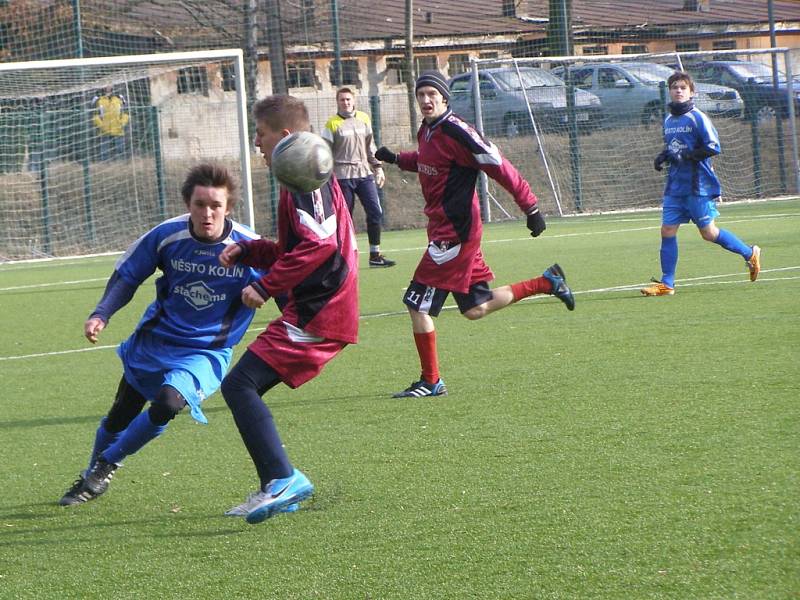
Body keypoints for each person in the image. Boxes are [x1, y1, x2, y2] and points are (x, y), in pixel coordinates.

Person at [59, 163, 262, 506]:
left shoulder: (251, 247)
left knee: (168, 402)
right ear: (188, 204)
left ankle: (108, 464)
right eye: (200, 205)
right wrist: (102, 313)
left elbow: (287, 285)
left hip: (206, 351)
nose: (208, 213)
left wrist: (269, 291)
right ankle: (91, 474)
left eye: (216, 206)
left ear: (229, 207)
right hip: (155, 342)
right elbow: (128, 275)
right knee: (121, 414)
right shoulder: (167, 235)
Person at [375, 70, 575, 399]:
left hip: (455, 234)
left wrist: (531, 207)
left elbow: (498, 164)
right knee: (475, 308)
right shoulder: (427, 130)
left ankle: (431, 380)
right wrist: (398, 159)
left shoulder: (458, 132)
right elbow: (430, 163)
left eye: (431, 94)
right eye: (421, 95)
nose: (426, 100)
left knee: (416, 304)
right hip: (445, 230)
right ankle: (547, 281)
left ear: (444, 98)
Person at [219, 95, 359, 524]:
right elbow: (294, 248)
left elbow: (318, 247)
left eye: (259, 134)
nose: (255, 142)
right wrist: (250, 251)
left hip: (320, 311)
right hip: (320, 308)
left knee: (239, 385)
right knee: (244, 387)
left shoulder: (307, 181)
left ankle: (281, 479)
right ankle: (277, 485)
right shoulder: (305, 178)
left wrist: (266, 287)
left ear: (285, 138)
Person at [644, 71, 761, 296]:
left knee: (708, 233)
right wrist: (663, 155)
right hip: (675, 186)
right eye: (674, 87)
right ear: (669, 91)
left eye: (683, 87)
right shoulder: (668, 120)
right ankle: (667, 284)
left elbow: (713, 147)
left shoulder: (698, 117)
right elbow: (674, 147)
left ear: (691, 92)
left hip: (698, 185)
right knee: (667, 230)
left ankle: (749, 253)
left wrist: (686, 156)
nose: (678, 90)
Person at [322, 87, 395, 268]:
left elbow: (370, 147)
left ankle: (375, 256)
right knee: (345, 218)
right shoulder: (331, 124)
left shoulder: (363, 118)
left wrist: (378, 167)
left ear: (353, 101)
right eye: (342, 100)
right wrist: (326, 176)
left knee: (375, 212)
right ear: (337, 102)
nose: (345, 103)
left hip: (364, 174)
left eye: (348, 99)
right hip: (342, 177)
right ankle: (343, 258)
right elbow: (324, 153)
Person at [92, 85, 129, 161]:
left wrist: (122, 123)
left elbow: (126, 112)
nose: (108, 86)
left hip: (118, 128)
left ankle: (121, 165)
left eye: (110, 84)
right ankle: (105, 166)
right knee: (104, 151)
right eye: (106, 84)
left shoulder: (119, 97)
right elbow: (94, 115)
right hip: (104, 130)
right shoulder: (97, 99)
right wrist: (101, 125)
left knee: (120, 150)